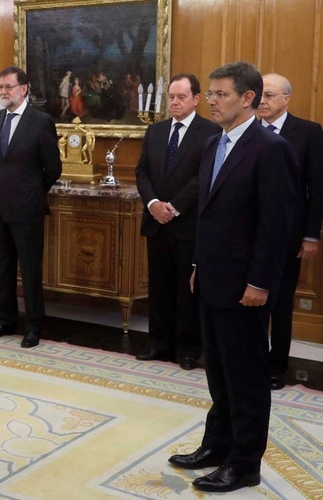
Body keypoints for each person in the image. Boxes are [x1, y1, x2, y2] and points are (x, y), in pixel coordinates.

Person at [168, 61, 297, 493]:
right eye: (210, 93)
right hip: (211, 279)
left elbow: (275, 226)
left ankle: (244, 464)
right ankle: (217, 444)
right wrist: (197, 266)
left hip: (246, 287)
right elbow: (207, 217)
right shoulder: (212, 145)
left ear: (247, 99)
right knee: (218, 373)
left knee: (246, 377)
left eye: (221, 94)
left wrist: (260, 283)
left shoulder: (270, 149)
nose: (212, 101)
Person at [134, 74, 221, 370]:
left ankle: (188, 348)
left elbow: (204, 177)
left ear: (196, 98)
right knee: (159, 287)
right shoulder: (155, 131)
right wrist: (153, 204)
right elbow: (142, 171)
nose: (174, 102)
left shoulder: (211, 132)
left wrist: (174, 207)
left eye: (181, 97)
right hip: (156, 222)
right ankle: (159, 343)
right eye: (171, 96)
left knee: (187, 290)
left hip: (188, 224)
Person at [0, 66, 62, 348]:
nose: (4, 92)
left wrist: (31, 193)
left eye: (9, 87)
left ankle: (34, 326)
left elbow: (53, 168)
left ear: (24, 88)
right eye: (0, 87)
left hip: (27, 209)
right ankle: (5, 320)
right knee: (2, 267)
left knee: (29, 270)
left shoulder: (40, 121)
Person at [258, 73, 323, 390]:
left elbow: (317, 188)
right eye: (259, 94)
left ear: (286, 98)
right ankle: (250, 360)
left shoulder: (308, 132)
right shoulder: (247, 130)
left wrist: (311, 235)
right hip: (249, 235)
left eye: (269, 95)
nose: (262, 101)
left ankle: (276, 366)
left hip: (288, 235)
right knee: (248, 301)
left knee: (280, 304)